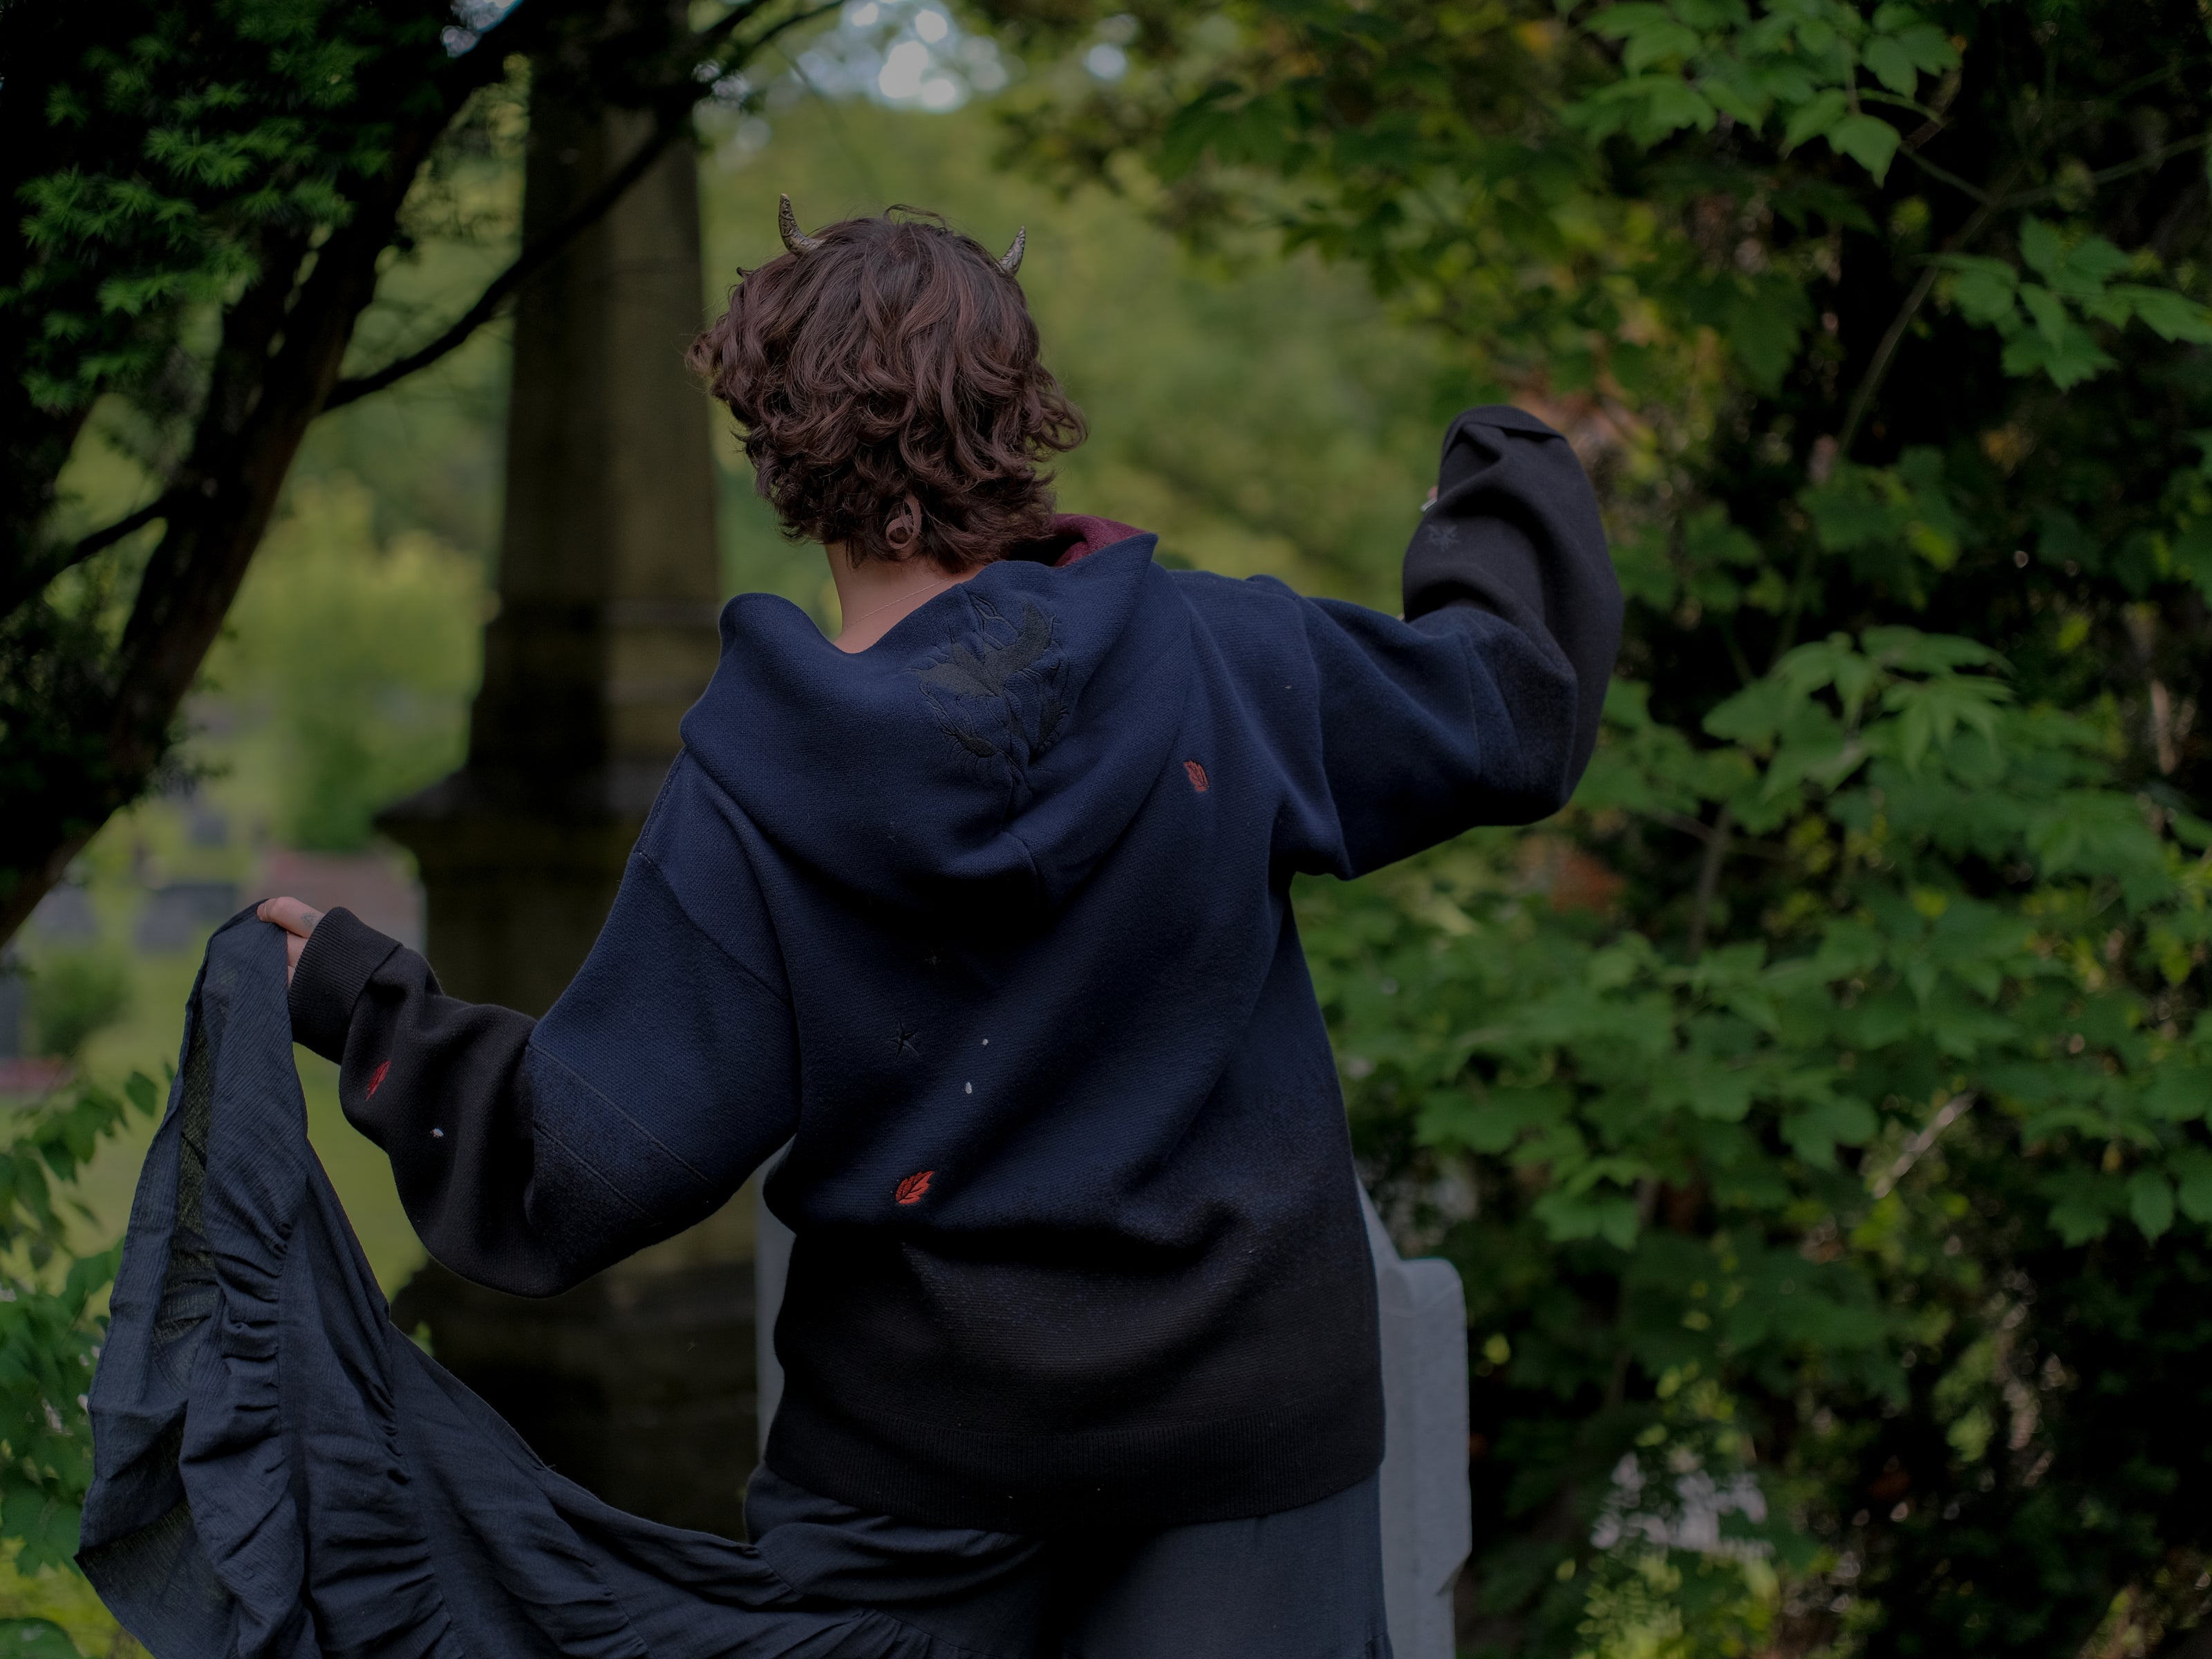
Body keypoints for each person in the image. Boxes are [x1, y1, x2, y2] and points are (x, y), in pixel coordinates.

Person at [256, 199, 1620, 1658]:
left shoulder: (752, 788)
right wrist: (1509, 467)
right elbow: (1503, 713)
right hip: (1247, 1441)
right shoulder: (1219, 660)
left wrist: (364, 1005)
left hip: (909, 1486)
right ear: (1019, 417)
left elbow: (587, 1163)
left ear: (774, 447)